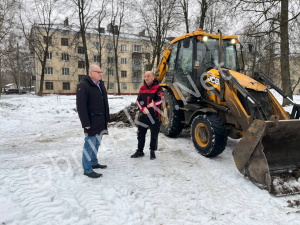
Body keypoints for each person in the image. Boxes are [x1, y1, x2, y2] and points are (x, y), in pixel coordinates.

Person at [76, 64, 110, 178]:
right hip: (91, 121)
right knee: (89, 145)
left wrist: (107, 118)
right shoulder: (84, 85)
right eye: (98, 72)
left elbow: (105, 103)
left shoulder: (100, 84)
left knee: (96, 143)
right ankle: (87, 169)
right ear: (91, 73)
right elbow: (81, 105)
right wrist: (85, 123)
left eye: (101, 72)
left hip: (101, 120)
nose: (101, 74)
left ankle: (94, 162)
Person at [131, 71, 164, 160]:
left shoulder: (158, 88)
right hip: (144, 115)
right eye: (145, 76)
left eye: (148, 76)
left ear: (153, 77)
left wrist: (154, 104)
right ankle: (140, 151)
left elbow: (162, 99)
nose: (146, 78)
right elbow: (138, 100)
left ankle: (152, 151)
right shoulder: (142, 88)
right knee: (140, 133)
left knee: (154, 134)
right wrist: (142, 108)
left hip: (154, 115)